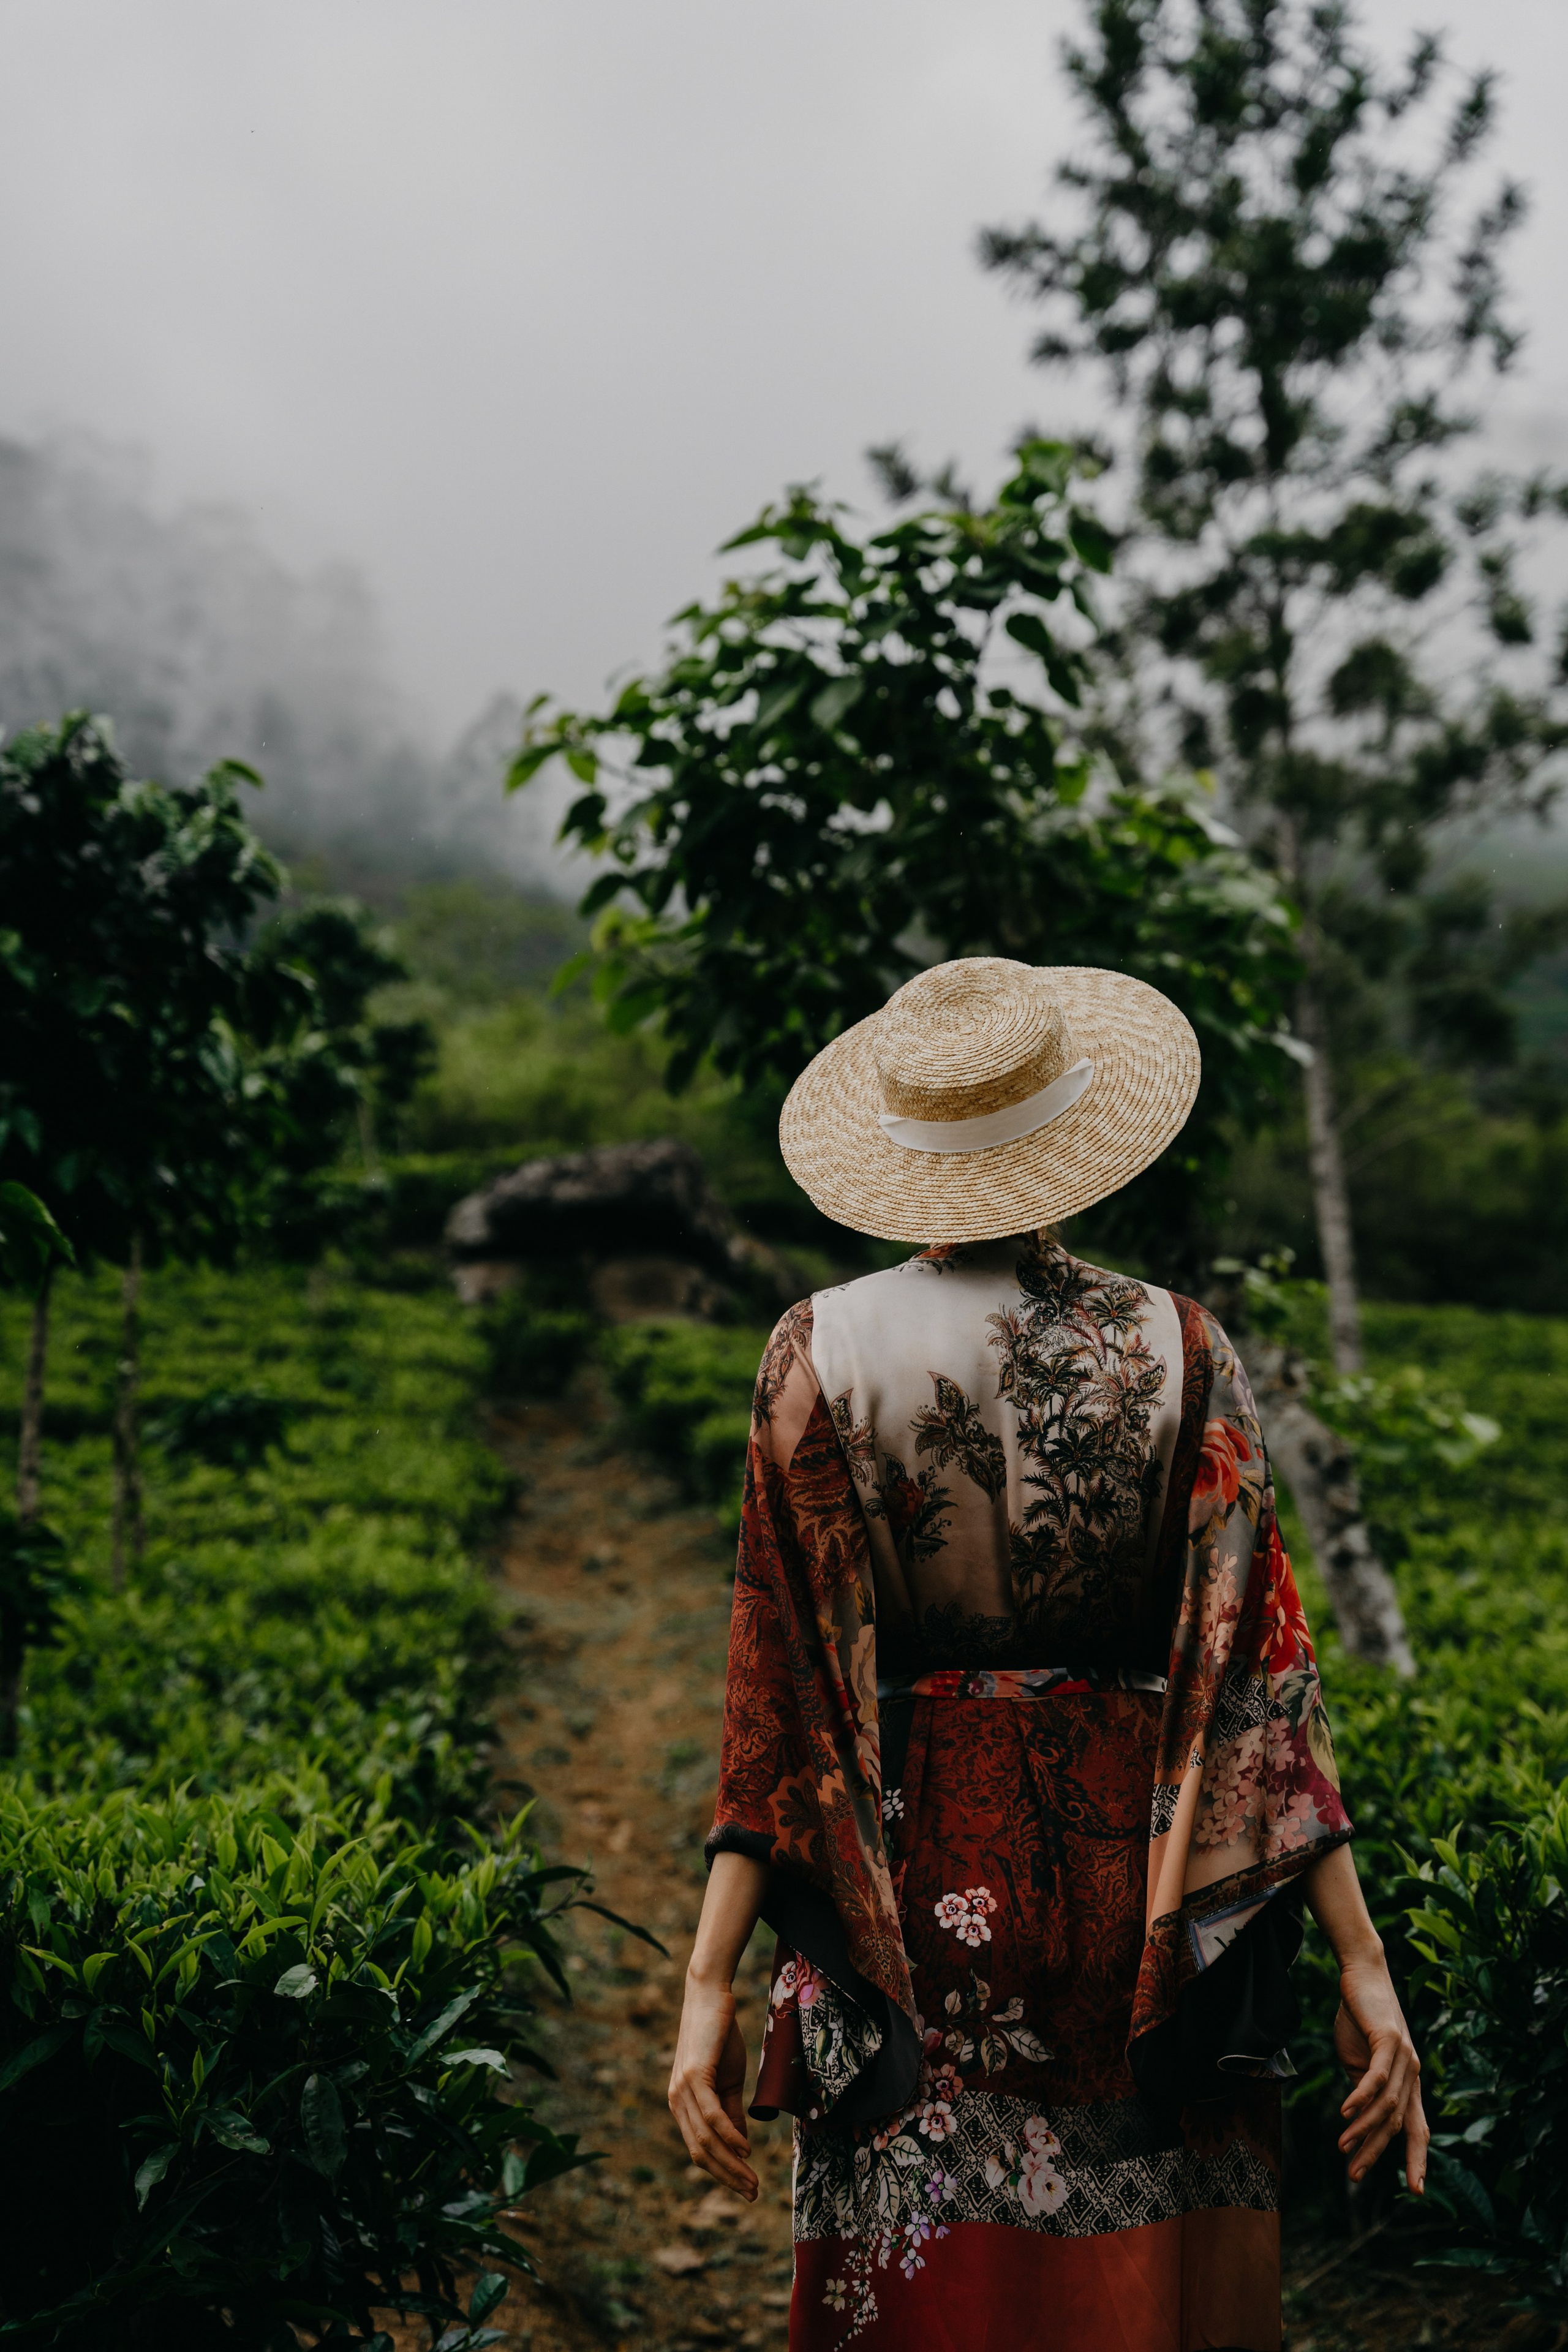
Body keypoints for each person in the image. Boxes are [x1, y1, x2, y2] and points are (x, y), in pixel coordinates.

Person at [668, 957, 1425, 2351]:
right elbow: (1260, 1677)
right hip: (1141, 1895)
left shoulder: (816, 1351)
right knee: (1136, 2300)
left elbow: (779, 1692)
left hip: (918, 1899)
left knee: (928, 2294)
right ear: (1068, 1134)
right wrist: (1360, 1962)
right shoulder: (1183, 1346)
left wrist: (706, 1981)